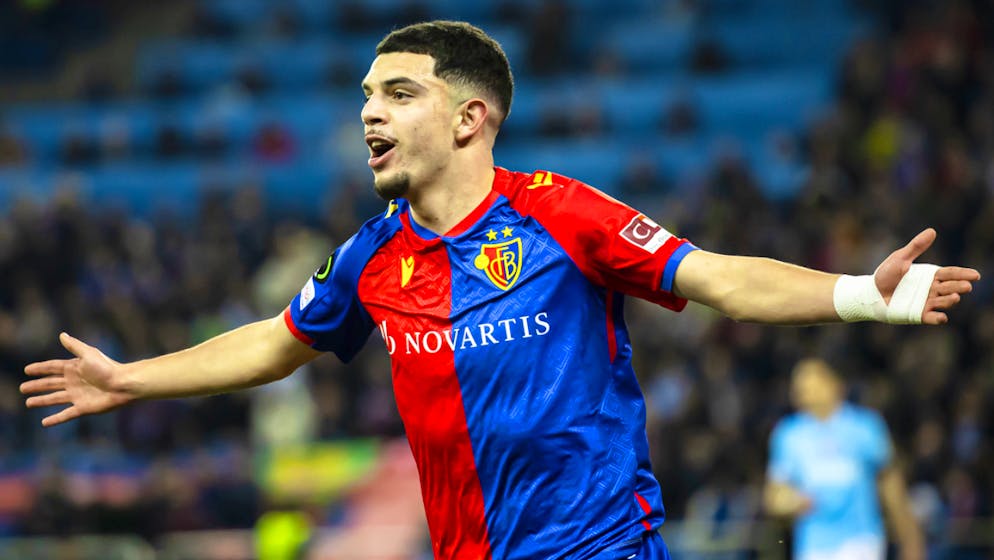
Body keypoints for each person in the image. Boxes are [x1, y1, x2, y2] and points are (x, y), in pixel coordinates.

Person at [21, 21, 979, 560]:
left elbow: (721, 279)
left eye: (398, 94)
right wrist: (131, 379)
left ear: (470, 117)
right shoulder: (370, 256)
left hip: (602, 547)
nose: (369, 114)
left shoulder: (562, 214)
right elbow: (276, 342)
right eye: (365, 96)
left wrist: (867, 294)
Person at [764, 358, 925, 560]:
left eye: (812, 379)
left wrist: (910, 539)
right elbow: (774, 496)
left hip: (861, 542)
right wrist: (790, 502)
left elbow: (891, 486)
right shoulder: (789, 434)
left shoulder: (865, 427)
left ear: (835, 383)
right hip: (813, 547)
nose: (803, 387)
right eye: (799, 382)